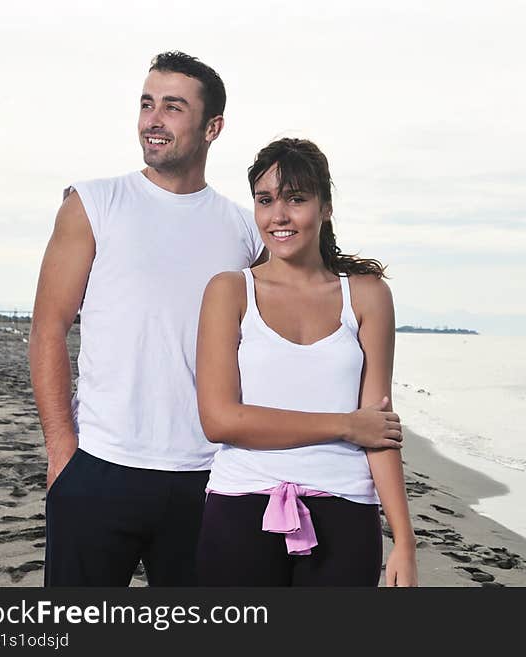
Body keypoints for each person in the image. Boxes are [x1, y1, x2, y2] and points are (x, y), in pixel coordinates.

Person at [29, 52, 403, 587]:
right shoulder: (94, 203)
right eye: (146, 104)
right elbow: (47, 329)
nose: (153, 119)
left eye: (173, 107)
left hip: (207, 477)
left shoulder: (242, 228)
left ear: (212, 127)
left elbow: (295, 312)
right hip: (101, 464)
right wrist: (62, 449)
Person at [195, 138, 417, 587]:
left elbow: (379, 430)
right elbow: (219, 420)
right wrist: (343, 424)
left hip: (346, 511)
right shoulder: (229, 291)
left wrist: (405, 542)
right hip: (241, 507)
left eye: (296, 199)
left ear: (326, 207)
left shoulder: (368, 295)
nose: (279, 215)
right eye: (265, 200)